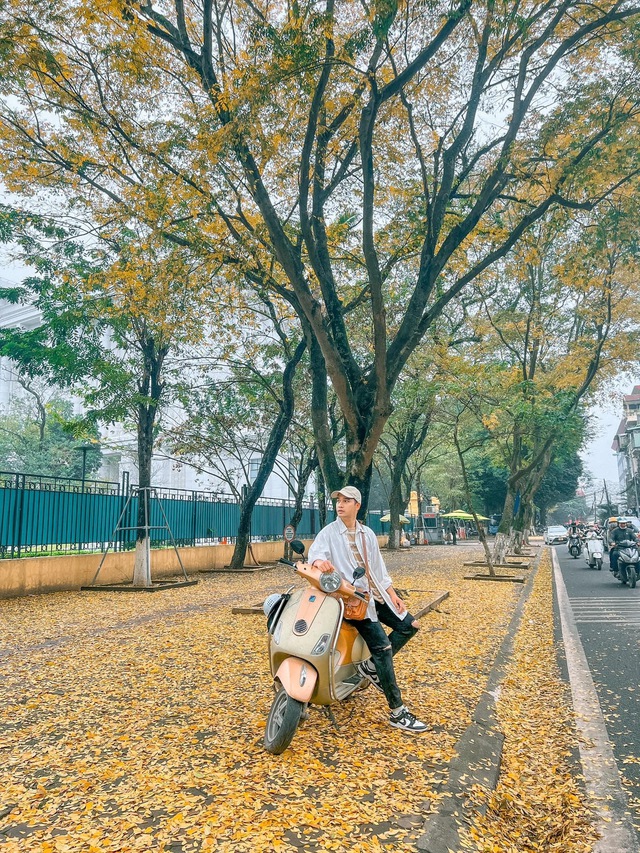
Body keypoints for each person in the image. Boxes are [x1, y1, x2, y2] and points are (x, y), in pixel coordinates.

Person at [307, 485, 428, 734]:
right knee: (383, 646)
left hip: (374, 597)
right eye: (338, 500)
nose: (340, 504)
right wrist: (320, 562)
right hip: (351, 601)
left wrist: (393, 595)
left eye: (346, 500)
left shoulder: (367, 534)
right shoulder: (329, 532)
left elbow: (378, 569)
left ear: (357, 505)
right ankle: (398, 712)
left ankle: (370, 667)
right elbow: (315, 555)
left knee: (409, 626)